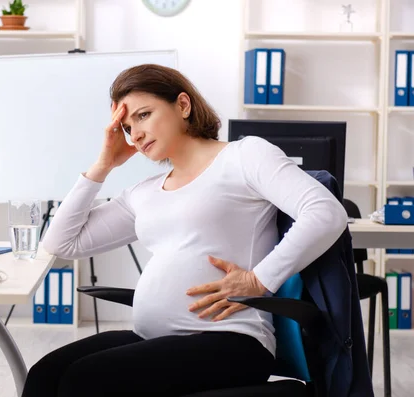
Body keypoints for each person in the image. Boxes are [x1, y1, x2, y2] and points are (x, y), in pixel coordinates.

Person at [22, 64, 348, 397]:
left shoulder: (244, 155)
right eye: (127, 126)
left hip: (232, 342)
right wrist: (103, 164)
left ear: (182, 105)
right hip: (154, 339)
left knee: (84, 380)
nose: (135, 134)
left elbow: (326, 213)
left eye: (144, 115)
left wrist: (258, 279)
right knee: (45, 375)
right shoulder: (143, 192)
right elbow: (61, 242)